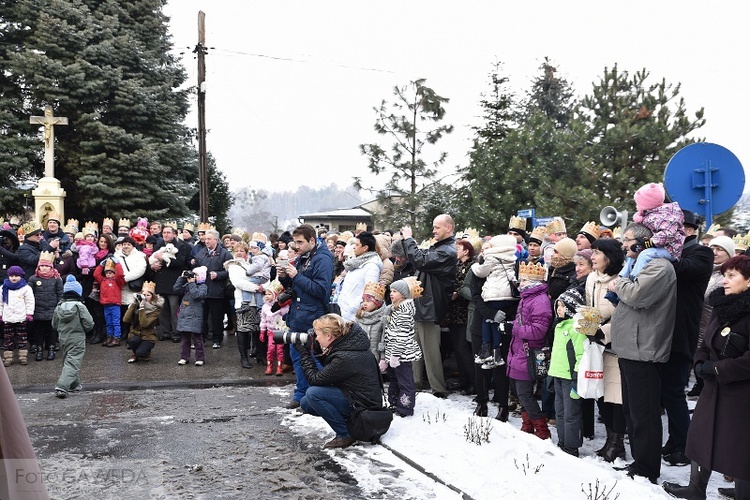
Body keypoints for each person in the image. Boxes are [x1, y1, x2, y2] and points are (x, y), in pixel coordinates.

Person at [662, 255, 750, 500]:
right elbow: (705, 343)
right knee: (701, 436)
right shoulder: (721, 306)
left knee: (742, 447)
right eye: (724, 274)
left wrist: (717, 369)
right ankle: (696, 488)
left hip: (742, 393)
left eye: (732, 275)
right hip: (713, 387)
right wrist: (699, 363)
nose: (725, 280)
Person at [610, 222, 677, 483]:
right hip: (630, 347)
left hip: (645, 349)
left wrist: (620, 283)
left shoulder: (659, 267)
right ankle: (639, 462)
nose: (623, 245)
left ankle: (647, 469)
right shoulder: (638, 266)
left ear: (644, 242)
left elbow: (637, 295)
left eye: (627, 240)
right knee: (632, 412)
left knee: (645, 415)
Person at [661, 209, 713, 467]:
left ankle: (685, 446)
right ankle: (675, 439)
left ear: (690, 230)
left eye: (675, 229)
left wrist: (658, 252)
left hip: (681, 333)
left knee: (674, 391)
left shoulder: (701, 252)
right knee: (667, 392)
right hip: (665, 331)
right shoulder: (677, 251)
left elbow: (681, 268)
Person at [294, 314, 383, 449]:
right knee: (306, 403)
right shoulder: (348, 344)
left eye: (317, 335)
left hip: (364, 406)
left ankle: (345, 434)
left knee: (313, 394)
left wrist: (304, 354)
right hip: (357, 397)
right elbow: (331, 369)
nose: (316, 338)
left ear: (328, 336)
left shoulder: (346, 356)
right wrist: (317, 350)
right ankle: (347, 422)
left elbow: (316, 379)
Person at [399, 214, 457, 398]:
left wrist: (409, 239)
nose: (433, 231)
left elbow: (421, 260)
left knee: (430, 351)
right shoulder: (440, 248)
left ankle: (438, 389)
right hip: (422, 304)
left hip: (430, 307)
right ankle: (415, 383)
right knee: (415, 347)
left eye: (437, 227)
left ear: (449, 228)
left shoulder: (447, 251)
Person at [278, 224, 335, 409]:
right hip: (299, 316)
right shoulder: (304, 256)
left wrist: (295, 276)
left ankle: (318, 397)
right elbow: (296, 287)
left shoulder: (323, 259)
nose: (296, 246)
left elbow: (321, 291)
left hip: (314, 318)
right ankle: (301, 395)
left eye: (300, 242)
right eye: (294, 242)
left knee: (315, 360)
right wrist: (284, 277)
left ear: (312, 240)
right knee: (298, 358)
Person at [586, 238, 627, 462]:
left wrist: (605, 332)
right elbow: (590, 307)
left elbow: (624, 314)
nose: (592, 256)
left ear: (609, 258)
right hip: (595, 342)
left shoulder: (622, 279)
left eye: (597, 253)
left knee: (616, 395)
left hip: (616, 343)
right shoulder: (592, 278)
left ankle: (617, 443)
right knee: (600, 392)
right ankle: (609, 439)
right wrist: (588, 328)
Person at [504, 261, 553, 439]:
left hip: (528, 352)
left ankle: (541, 429)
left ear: (533, 281)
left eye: (524, 279)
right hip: (519, 351)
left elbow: (539, 330)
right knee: (521, 393)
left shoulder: (539, 301)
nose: (520, 282)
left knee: (524, 393)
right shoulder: (527, 298)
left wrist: (514, 329)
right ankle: (528, 424)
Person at [470, 234, 519, 369]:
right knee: (496, 325)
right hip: (508, 296)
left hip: (494, 295)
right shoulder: (512, 258)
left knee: (488, 322)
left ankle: (487, 351)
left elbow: (481, 272)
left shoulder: (491, 258)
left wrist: (474, 266)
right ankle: (496, 353)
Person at [549, 287, 586, 456]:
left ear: (571, 308)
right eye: (557, 306)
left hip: (571, 377)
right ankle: (562, 441)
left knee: (571, 412)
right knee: (560, 411)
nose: (558, 309)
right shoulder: (559, 326)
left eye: (562, 306)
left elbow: (580, 353)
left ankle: (571, 446)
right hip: (557, 374)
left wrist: (577, 375)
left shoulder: (576, 328)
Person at [380, 277, 423, 417]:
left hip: (401, 355)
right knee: (395, 379)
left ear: (404, 294)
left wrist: (395, 355)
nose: (391, 293)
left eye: (395, 291)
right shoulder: (394, 309)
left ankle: (405, 408)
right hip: (394, 353)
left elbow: (402, 335)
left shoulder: (404, 312)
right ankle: (394, 402)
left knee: (405, 381)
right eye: (391, 291)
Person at [622, 182, 685, 278]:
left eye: (638, 203)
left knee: (644, 255)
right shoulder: (652, 215)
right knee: (633, 254)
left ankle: (634, 277)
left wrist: (650, 242)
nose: (636, 206)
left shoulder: (664, 216)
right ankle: (622, 277)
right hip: (660, 246)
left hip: (670, 249)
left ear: (646, 203)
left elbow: (668, 234)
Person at [444, 238, 477, 394]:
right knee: (457, 348)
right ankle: (463, 380)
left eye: (458, 248)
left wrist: (458, 293)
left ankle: (474, 381)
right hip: (454, 311)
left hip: (464, 311)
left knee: (463, 347)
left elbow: (469, 288)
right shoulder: (456, 265)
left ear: (466, 251)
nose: (455, 251)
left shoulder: (472, 266)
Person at [53, 275, 94, 398]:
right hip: (77, 338)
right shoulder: (80, 306)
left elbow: (54, 324)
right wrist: (85, 330)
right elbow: (89, 323)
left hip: (63, 338)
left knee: (69, 360)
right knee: (73, 361)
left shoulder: (59, 307)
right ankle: (62, 386)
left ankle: (74, 385)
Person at [224, 242, 264, 368]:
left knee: (257, 329)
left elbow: (262, 277)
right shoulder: (233, 266)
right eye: (237, 251)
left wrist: (262, 287)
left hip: (257, 301)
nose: (239, 253)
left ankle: (260, 355)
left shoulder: (252, 264)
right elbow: (238, 282)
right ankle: (244, 357)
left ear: (247, 253)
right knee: (243, 329)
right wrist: (255, 288)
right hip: (243, 301)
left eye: (242, 250)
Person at [192, 229, 232, 348]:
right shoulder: (201, 253)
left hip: (217, 290)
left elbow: (230, 271)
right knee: (201, 317)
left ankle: (217, 339)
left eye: (209, 239)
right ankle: (201, 339)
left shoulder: (225, 254)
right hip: (202, 290)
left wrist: (218, 275)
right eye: (205, 239)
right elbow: (195, 266)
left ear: (216, 240)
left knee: (217, 317)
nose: (206, 241)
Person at [151, 223, 190, 343]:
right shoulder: (159, 244)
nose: (166, 235)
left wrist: (162, 260)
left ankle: (176, 332)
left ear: (174, 234)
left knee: (174, 309)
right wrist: (153, 266)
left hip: (174, 282)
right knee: (162, 308)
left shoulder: (182, 245)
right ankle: (164, 332)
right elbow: (153, 258)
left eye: (168, 232)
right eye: (164, 233)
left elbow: (180, 262)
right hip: (161, 281)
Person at [336, 231, 382, 322]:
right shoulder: (357, 262)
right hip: (345, 311)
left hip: (354, 315)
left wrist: (353, 307)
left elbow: (369, 293)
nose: (354, 247)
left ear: (365, 248)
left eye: (357, 245)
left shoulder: (372, 266)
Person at [28, 250, 63, 361]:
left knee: (52, 331)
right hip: (38, 310)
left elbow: (60, 294)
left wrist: (59, 307)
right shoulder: (33, 279)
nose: (43, 268)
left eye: (46, 266)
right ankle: (39, 350)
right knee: (39, 331)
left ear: (51, 267)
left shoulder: (56, 279)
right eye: (41, 266)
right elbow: (29, 295)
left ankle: (51, 349)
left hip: (52, 309)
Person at [1, 266, 35, 366]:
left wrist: (29, 313)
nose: (14, 278)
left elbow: (30, 301)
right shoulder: (3, 288)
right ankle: (8, 357)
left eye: (16, 276)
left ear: (21, 276)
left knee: (22, 337)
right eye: (11, 276)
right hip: (8, 318)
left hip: (21, 317)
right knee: (8, 338)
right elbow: (0, 303)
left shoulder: (26, 288)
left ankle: (22, 356)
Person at [174, 266, 208, 366]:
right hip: (184, 315)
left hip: (195, 315)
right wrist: (181, 278)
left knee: (197, 339)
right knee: (185, 339)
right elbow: (176, 289)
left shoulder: (203, 287)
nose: (193, 277)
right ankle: (184, 357)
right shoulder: (187, 285)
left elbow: (196, 295)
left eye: (196, 275)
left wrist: (192, 283)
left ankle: (200, 358)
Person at [124, 281, 163, 363]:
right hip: (135, 334)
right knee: (133, 340)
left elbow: (144, 324)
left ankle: (145, 352)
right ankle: (135, 354)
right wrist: (134, 304)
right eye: (143, 295)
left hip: (148, 336)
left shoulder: (155, 309)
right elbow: (125, 320)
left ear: (153, 297)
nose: (145, 297)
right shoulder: (135, 305)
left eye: (148, 295)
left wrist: (141, 308)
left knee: (141, 353)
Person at [259, 281, 290, 375]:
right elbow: (264, 319)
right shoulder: (265, 307)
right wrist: (262, 331)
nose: (267, 296)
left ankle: (279, 368)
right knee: (271, 349)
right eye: (266, 294)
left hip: (280, 331)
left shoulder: (282, 306)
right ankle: (269, 366)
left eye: (270, 294)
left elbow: (286, 316)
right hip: (270, 331)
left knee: (280, 350)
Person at [93, 257, 125, 347]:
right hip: (106, 304)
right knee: (108, 322)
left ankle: (116, 337)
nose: (108, 274)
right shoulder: (103, 280)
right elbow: (96, 274)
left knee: (116, 322)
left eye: (110, 273)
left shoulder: (117, 281)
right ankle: (109, 336)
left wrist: (117, 264)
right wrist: (100, 265)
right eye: (107, 273)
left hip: (115, 305)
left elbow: (120, 275)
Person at [355, 281, 387, 360]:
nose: (364, 304)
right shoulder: (359, 317)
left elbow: (384, 340)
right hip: (360, 358)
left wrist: (383, 359)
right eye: (363, 300)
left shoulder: (383, 319)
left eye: (368, 301)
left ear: (377, 303)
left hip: (376, 359)